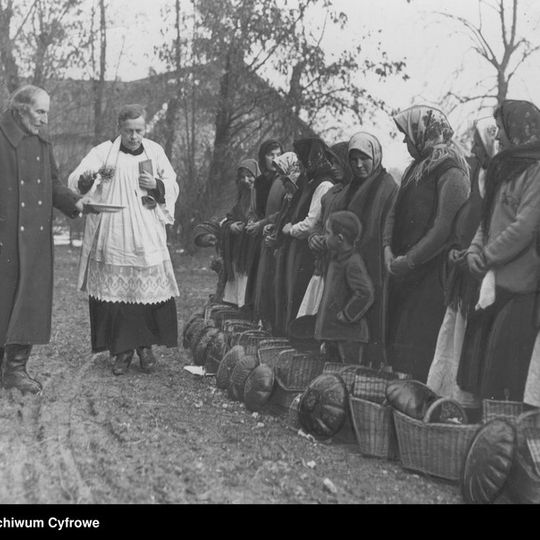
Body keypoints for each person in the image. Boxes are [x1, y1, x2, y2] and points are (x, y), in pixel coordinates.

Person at [68, 103, 180, 376]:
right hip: (114, 231)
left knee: (146, 293)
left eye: (139, 130)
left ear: (145, 129)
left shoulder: (154, 152)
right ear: (120, 129)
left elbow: (173, 183)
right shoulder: (108, 157)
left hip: (146, 230)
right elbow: (82, 181)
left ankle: (145, 348)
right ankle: (121, 351)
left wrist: (158, 186)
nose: (134, 136)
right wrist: (86, 181)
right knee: (116, 298)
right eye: (129, 131)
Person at [0, 85, 84, 394]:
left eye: (46, 112)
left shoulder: (42, 144)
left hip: (34, 240)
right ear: (20, 109)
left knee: (30, 302)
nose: (45, 120)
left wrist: (73, 202)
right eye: (40, 112)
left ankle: (15, 370)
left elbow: (52, 184)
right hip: (4, 239)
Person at [457, 99, 540, 401]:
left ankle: (496, 434)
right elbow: (487, 219)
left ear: (518, 130)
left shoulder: (536, 171)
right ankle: (478, 428)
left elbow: (524, 227)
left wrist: (487, 256)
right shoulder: (505, 168)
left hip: (518, 283)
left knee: (501, 369)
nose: (497, 137)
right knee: (477, 367)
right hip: (490, 278)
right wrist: (472, 253)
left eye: (501, 129)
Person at [385, 106, 470, 382]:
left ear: (422, 133)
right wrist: (388, 249)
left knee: (418, 349)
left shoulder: (451, 169)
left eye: (406, 136)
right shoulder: (415, 168)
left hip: (429, 274)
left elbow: (443, 227)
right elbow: (394, 212)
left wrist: (409, 261)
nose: (404, 142)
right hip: (403, 269)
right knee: (398, 347)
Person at [309, 131, 398, 366]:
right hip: (341, 266)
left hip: (371, 267)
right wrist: (318, 238)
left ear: (375, 157)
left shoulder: (387, 188)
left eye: (364, 159)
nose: (359, 165)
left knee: (364, 331)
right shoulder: (347, 189)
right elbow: (327, 222)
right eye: (354, 160)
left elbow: (389, 229)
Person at [427, 118, 498, 412]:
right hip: (462, 267)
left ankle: (463, 405)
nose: (473, 149)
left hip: (481, 272)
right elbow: (464, 220)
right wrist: (456, 249)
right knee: (452, 335)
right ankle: (444, 400)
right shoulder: (477, 175)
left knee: (470, 337)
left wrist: (471, 251)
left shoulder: (498, 181)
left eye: (479, 145)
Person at [277, 138, 337, 335]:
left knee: (301, 292)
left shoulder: (324, 185)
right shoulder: (312, 182)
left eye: (303, 162)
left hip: (307, 250)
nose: (301, 168)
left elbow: (311, 222)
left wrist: (290, 229)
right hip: (300, 248)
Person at [315, 211, 374, 363]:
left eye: (328, 233)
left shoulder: (353, 262)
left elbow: (365, 293)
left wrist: (348, 314)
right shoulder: (336, 256)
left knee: (348, 371)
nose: (324, 236)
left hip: (348, 334)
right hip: (334, 332)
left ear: (340, 239)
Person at [248, 139, 284, 326]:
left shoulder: (285, 180)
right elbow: (254, 209)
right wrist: (253, 222)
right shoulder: (259, 182)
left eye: (278, 154)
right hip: (260, 235)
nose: (275, 159)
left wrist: (263, 223)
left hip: (275, 231)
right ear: (263, 157)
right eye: (271, 155)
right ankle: (258, 318)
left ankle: (270, 321)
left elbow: (285, 209)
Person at [221, 158, 260, 307]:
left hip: (253, 251)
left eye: (250, 175)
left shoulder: (262, 195)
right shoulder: (242, 197)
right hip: (239, 251)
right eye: (242, 177)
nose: (246, 180)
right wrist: (231, 226)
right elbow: (230, 217)